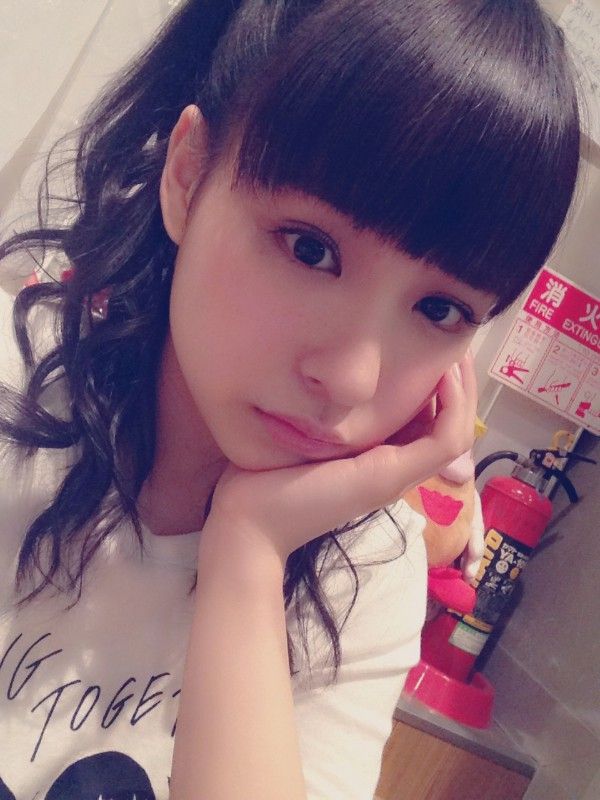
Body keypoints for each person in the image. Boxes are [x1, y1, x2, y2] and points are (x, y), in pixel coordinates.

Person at [0, 1, 580, 798]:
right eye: (311, 249)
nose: (352, 379)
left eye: (441, 309)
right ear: (188, 177)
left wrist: (250, 551)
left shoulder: (368, 571)